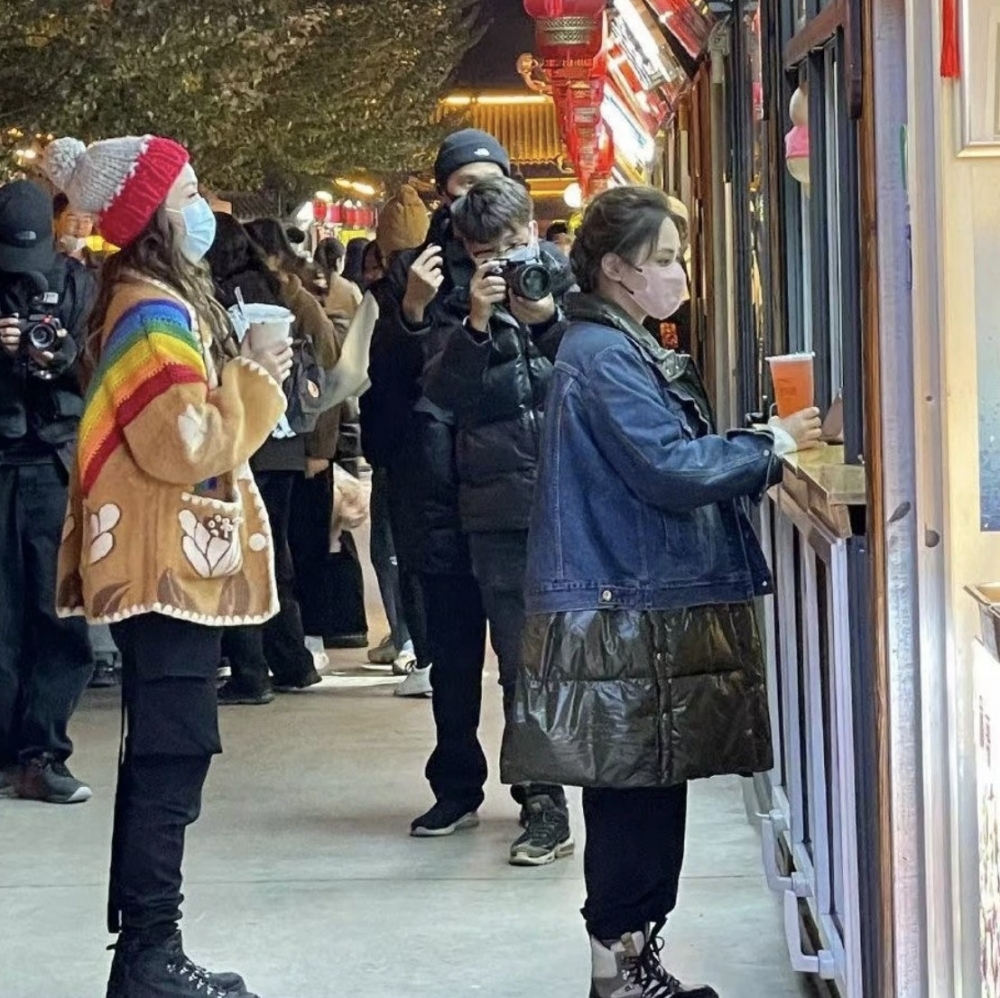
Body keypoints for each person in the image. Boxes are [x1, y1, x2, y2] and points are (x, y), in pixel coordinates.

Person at [501, 186, 823, 997]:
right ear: (617, 269)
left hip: (633, 603)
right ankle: (620, 971)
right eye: (668, 260)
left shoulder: (615, 344)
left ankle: (632, 964)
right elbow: (669, 468)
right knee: (634, 801)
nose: (680, 275)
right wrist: (767, 444)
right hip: (624, 610)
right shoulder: (605, 355)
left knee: (643, 795)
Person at [43, 133, 289, 998]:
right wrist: (255, 383)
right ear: (152, 215)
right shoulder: (153, 314)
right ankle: (152, 953)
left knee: (161, 750)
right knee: (171, 755)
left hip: (156, 565)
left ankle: (147, 950)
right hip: (164, 571)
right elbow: (186, 443)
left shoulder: (142, 302)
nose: (202, 205)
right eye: (187, 189)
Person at [419, 175, 575, 866]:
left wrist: (542, 312)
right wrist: (477, 324)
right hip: (498, 510)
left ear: (535, 229)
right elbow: (444, 396)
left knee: (561, 661)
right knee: (517, 663)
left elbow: (588, 371)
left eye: (516, 244)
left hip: (568, 499)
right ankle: (541, 803)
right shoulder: (454, 309)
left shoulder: (567, 285)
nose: (507, 261)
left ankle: (570, 791)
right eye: (491, 251)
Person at [207, 213, 340, 703]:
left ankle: (250, 668)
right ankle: (291, 660)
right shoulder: (280, 289)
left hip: (249, 438)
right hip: (285, 440)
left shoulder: (225, 298)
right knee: (274, 551)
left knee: (241, 552)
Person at [0, 179, 96, 804]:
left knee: (55, 612)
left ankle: (41, 753)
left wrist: (56, 356)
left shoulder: (79, 285)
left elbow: (94, 367)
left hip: (51, 461)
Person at [359, 185, 430, 673]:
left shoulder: (380, 299)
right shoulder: (442, 287)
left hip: (391, 440)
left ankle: (407, 637)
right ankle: (419, 643)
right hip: (432, 438)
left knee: (392, 543)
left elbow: (355, 369)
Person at [53, 192, 98, 267]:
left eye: (86, 220)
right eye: (72, 220)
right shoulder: (41, 262)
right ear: (55, 222)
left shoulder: (101, 267)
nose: (80, 227)